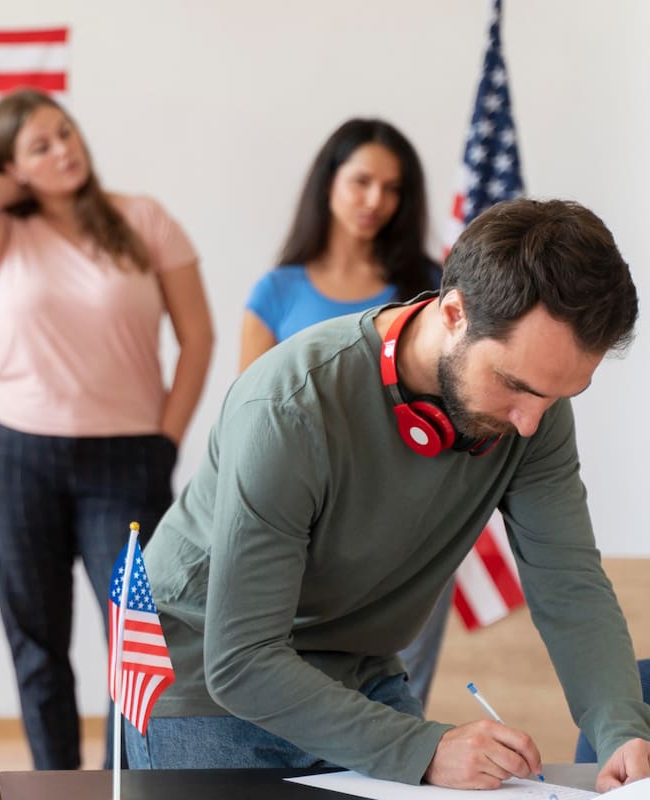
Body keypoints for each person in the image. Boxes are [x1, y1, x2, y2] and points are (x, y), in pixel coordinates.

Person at [129, 198, 650, 793]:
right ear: (454, 313)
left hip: (357, 672)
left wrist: (621, 729)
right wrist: (422, 747)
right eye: (513, 386)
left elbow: (569, 580)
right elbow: (240, 661)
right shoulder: (288, 407)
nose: (530, 423)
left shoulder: (533, 410)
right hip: (210, 679)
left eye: (559, 395)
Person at [0, 88, 214, 770]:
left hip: (127, 461)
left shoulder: (143, 219)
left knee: (140, 641)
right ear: (12, 166)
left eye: (66, 133)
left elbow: (198, 338)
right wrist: (20, 178)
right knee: (38, 642)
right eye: (41, 144)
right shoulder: (5, 231)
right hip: (10, 454)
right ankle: (55, 784)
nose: (65, 149)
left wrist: (165, 441)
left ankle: (131, 781)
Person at [238, 118, 448, 708]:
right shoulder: (276, 292)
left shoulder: (431, 290)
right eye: (362, 182)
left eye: (393, 188)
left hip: (413, 519)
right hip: (303, 523)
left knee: (400, 691)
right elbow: (249, 419)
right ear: (328, 183)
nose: (375, 200)